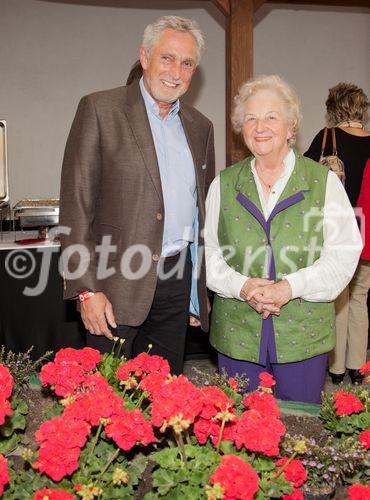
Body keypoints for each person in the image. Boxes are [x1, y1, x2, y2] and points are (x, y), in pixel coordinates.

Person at [59, 16, 215, 375]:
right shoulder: (100, 110)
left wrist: (196, 290)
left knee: (163, 397)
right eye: (167, 58)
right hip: (114, 282)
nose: (176, 71)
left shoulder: (200, 127)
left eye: (187, 63)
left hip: (177, 281)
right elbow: (76, 206)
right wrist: (85, 289)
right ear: (145, 57)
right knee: (104, 402)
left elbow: (200, 213)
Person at [205, 75, 362, 403]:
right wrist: (243, 286)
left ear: (291, 128)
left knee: (300, 435)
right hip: (238, 336)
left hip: (302, 336)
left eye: (270, 117)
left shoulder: (323, 182)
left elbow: (344, 253)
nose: (259, 126)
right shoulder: (223, 184)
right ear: (241, 128)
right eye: (251, 118)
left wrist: (290, 287)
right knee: (237, 433)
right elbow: (210, 254)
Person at [305, 83, 370, 385]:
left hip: (337, 231)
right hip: (367, 235)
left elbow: (302, 175)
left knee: (338, 298)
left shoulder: (326, 137)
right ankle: (359, 367)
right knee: (360, 299)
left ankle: (337, 368)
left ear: (333, 108)